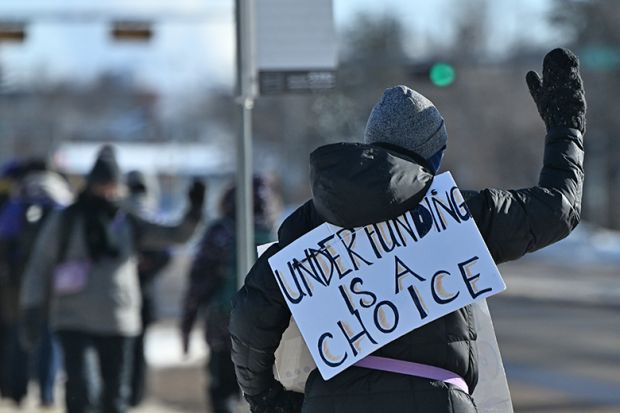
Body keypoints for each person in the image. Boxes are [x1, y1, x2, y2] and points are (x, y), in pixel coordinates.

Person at [228, 48, 586, 412]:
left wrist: (267, 399)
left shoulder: (309, 225)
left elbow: (248, 317)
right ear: (432, 156)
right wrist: (565, 125)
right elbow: (559, 208)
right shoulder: (453, 216)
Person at [20, 146, 205, 413]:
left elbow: (174, 235)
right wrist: (32, 308)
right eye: (103, 185)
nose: (109, 192)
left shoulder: (128, 220)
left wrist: (194, 212)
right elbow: (39, 266)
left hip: (119, 320)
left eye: (112, 186)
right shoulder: (66, 220)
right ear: (92, 184)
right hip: (72, 319)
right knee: (82, 392)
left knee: (115, 400)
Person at [181, 177, 275, 413]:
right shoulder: (274, 234)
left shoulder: (219, 233)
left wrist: (186, 325)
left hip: (224, 324)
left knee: (221, 388)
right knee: (261, 389)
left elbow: (198, 283)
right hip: (268, 326)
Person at [0, 159, 72, 407]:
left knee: (20, 334)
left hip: (18, 281)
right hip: (55, 281)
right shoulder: (62, 197)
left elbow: (4, 235)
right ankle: (47, 393)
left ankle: (17, 391)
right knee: (49, 337)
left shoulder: (19, 198)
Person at [123, 170, 174, 407]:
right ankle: (136, 394)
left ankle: (125, 393)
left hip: (123, 293)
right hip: (144, 293)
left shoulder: (120, 215)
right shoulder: (153, 216)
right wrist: (148, 268)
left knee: (120, 347)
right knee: (138, 347)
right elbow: (167, 253)